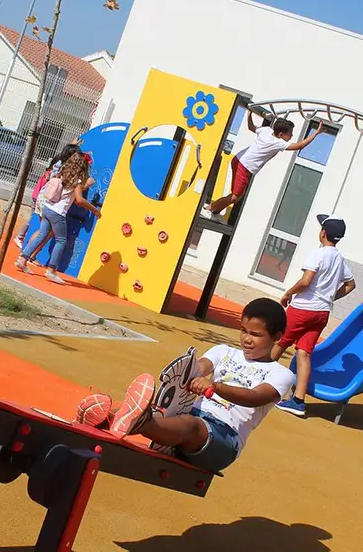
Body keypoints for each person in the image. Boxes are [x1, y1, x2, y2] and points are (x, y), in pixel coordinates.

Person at [79, 298, 295, 473]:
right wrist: (188, 373)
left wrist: (214, 387)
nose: (247, 339)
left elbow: (255, 396)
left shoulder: (281, 374)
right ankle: (103, 416)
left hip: (224, 438)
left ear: (277, 337)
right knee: (166, 411)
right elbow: (198, 368)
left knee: (191, 425)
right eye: (244, 331)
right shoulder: (224, 352)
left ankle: (138, 423)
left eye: (256, 335)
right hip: (188, 414)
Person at [271, 215, 356, 417]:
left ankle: (257, 381)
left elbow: (306, 280)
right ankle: (298, 401)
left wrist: (288, 293)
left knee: (279, 343)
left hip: (303, 308)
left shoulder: (317, 254)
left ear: (323, 233)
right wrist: (329, 297)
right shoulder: (339, 258)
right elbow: (351, 285)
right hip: (322, 311)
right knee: (304, 353)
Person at [201, 112, 324, 221]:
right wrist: (316, 133)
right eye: (290, 134)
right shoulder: (277, 142)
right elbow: (299, 146)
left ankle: (215, 212)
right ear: (281, 134)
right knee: (235, 197)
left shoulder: (267, 131)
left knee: (237, 196)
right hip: (244, 165)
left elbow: (251, 128)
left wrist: (249, 115)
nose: (291, 136)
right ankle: (209, 208)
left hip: (241, 161)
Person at [15, 150, 101, 283]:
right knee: (61, 240)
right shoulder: (77, 179)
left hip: (47, 208)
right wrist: (94, 210)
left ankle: (22, 259)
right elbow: (79, 200)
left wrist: (85, 186)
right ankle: (51, 270)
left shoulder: (63, 173)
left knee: (41, 235)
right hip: (58, 213)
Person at [15, 142, 82, 249]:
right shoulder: (65, 168)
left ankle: (27, 253)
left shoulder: (58, 163)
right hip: (49, 199)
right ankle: (27, 253)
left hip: (45, 196)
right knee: (43, 233)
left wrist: (72, 144)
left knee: (44, 231)